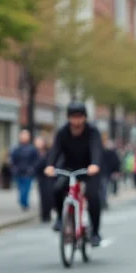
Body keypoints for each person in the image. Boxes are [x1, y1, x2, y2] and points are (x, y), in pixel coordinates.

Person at [44, 102, 104, 246]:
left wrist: (95, 164)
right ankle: (60, 218)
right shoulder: (63, 132)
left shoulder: (92, 132)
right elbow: (55, 149)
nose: (76, 121)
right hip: (69, 168)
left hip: (88, 170)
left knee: (94, 197)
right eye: (73, 117)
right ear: (68, 118)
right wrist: (50, 165)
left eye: (80, 117)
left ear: (85, 117)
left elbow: (96, 148)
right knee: (58, 189)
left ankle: (95, 232)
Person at [10, 129, 39, 212]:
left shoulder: (32, 149)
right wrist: (14, 168)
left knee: (26, 189)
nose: (23, 137)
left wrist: (32, 168)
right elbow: (13, 160)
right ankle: (23, 202)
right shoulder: (16, 149)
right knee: (21, 189)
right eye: (22, 136)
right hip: (19, 172)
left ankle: (25, 203)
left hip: (28, 172)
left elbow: (36, 160)